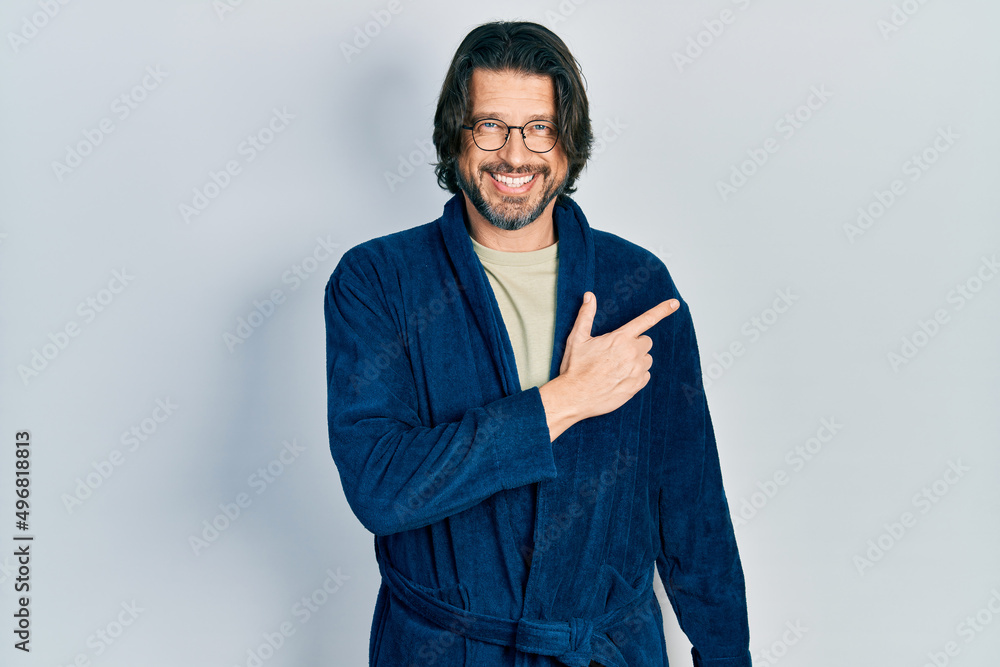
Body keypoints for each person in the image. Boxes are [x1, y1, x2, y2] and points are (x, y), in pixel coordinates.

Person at [324, 20, 751, 667]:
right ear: (456, 137)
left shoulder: (636, 285)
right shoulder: (378, 281)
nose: (514, 155)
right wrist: (565, 399)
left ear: (568, 143)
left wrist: (727, 655)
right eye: (490, 126)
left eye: (539, 128)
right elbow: (381, 488)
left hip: (605, 651)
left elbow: (691, 506)